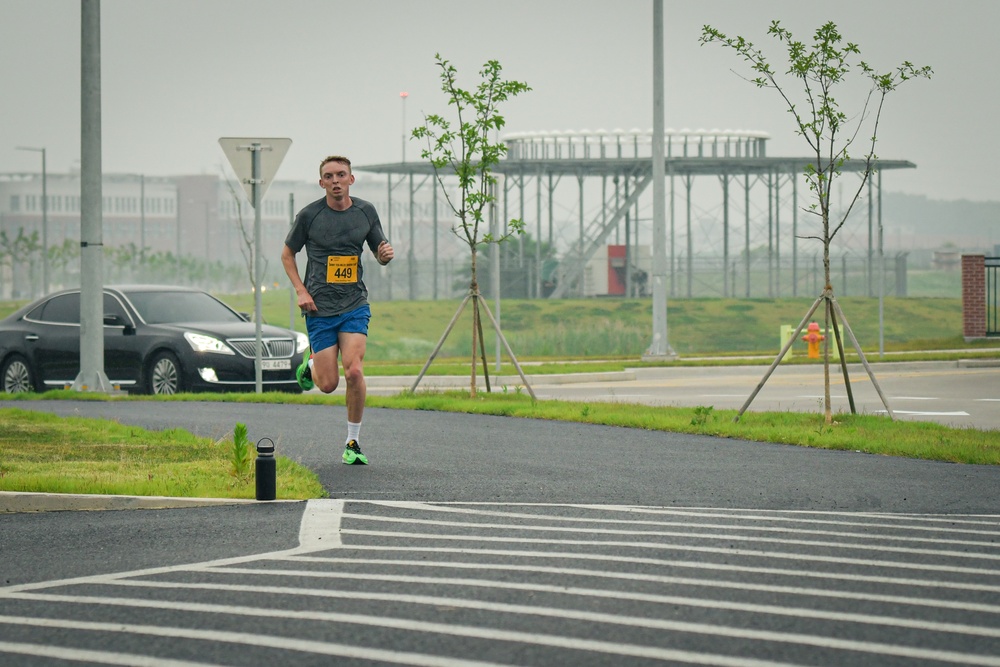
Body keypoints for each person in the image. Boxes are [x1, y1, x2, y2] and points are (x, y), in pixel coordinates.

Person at [281, 155, 394, 465]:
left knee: (354, 370)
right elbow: (287, 255)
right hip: (318, 306)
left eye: (340, 175)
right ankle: (313, 362)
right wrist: (300, 291)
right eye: (328, 176)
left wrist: (385, 254)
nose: (335, 181)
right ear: (321, 183)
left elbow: (379, 250)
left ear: (351, 179)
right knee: (328, 385)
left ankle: (352, 442)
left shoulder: (365, 211)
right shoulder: (310, 216)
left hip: (354, 303)